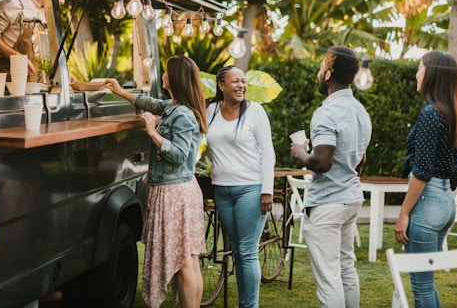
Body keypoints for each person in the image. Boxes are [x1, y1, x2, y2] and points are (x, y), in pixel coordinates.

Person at [103, 55, 207, 308]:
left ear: (176, 78)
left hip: (175, 193)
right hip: (179, 190)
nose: (163, 75)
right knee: (189, 260)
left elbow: (179, 155)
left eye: (167, 72)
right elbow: (150, 102)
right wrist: (120, 92)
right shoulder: (175, 106)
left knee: (183, 263)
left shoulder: (182, 114)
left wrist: (152, 133)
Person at [290, 45, 372, 308]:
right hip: (350, 199)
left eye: (321, 66)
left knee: (328, 278)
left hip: (326, 205)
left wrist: (301, 153)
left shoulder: (326, 112)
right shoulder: (361, 112)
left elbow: (322, 162)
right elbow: (361, 162)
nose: (318, 71)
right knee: (346, 268)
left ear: (328, 73)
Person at [394, 51, 457, 308]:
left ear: (432, 74)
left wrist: (404, 214)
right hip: (446, 203)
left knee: (421, 286)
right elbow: (455, 172)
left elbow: (421, 172)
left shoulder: (430, 114)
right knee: (427, 282)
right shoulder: (455, 114)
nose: (416, 73)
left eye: (420, 68)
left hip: (427, 202)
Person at [205, 65, 276, 308]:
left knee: (246, 252)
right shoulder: (211, 110)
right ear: (221, 85)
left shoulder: (255, 112)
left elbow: (268, 154)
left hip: (250, 190)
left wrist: (267, 190)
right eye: (234, 81)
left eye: (243, 81)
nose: (240, 85)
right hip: (222, 191)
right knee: (236, 251)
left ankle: (249, 305)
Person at [0, 0, 69, 81]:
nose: (62, 1)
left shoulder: (46, 13)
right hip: (9, 82)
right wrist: (18, 58)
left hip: (36, 84)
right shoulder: (15, 3)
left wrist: (63, 73)